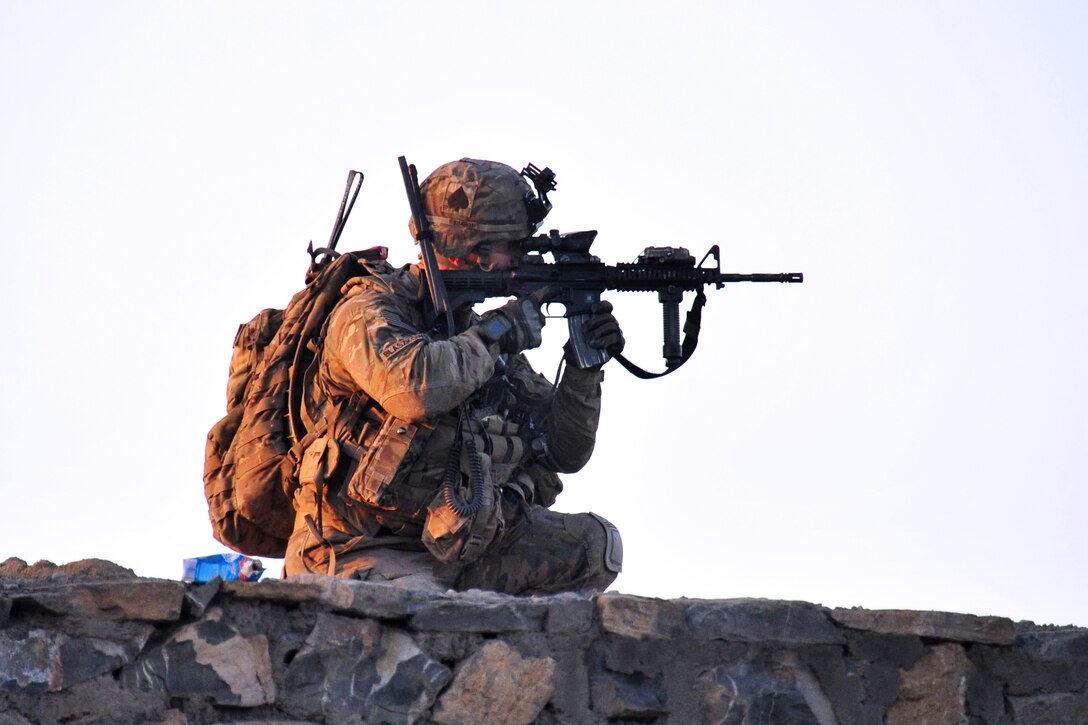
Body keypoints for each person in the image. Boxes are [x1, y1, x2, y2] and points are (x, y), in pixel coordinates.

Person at [283, 158, 625, 595]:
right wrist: (500, 330)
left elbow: (565, 452)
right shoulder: (366, 312)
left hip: (455, 547)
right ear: (470, 248)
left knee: (596, 548)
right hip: (358, 551)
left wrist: (584, 364)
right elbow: (414, 389)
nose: (523, 256)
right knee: (423, 607)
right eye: (513, 245)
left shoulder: (473, 332)